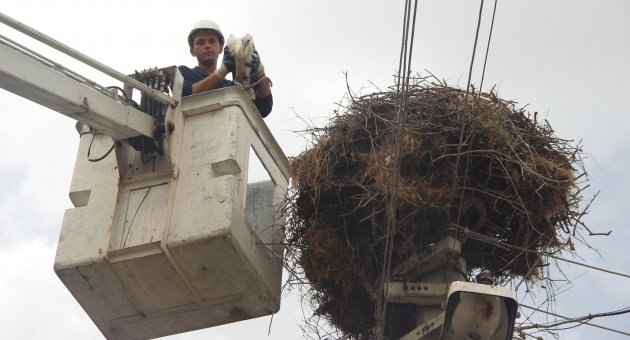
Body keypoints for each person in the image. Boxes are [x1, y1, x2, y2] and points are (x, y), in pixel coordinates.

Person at [178, 20, 273, 118]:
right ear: (192, 51)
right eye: (200, 42)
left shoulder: (231, 87)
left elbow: (263, 109)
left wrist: (260, 71)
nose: (207, 45)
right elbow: (184, 96)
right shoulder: (184, 73)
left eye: (212, 41)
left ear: (220, 48)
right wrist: (222, 71)